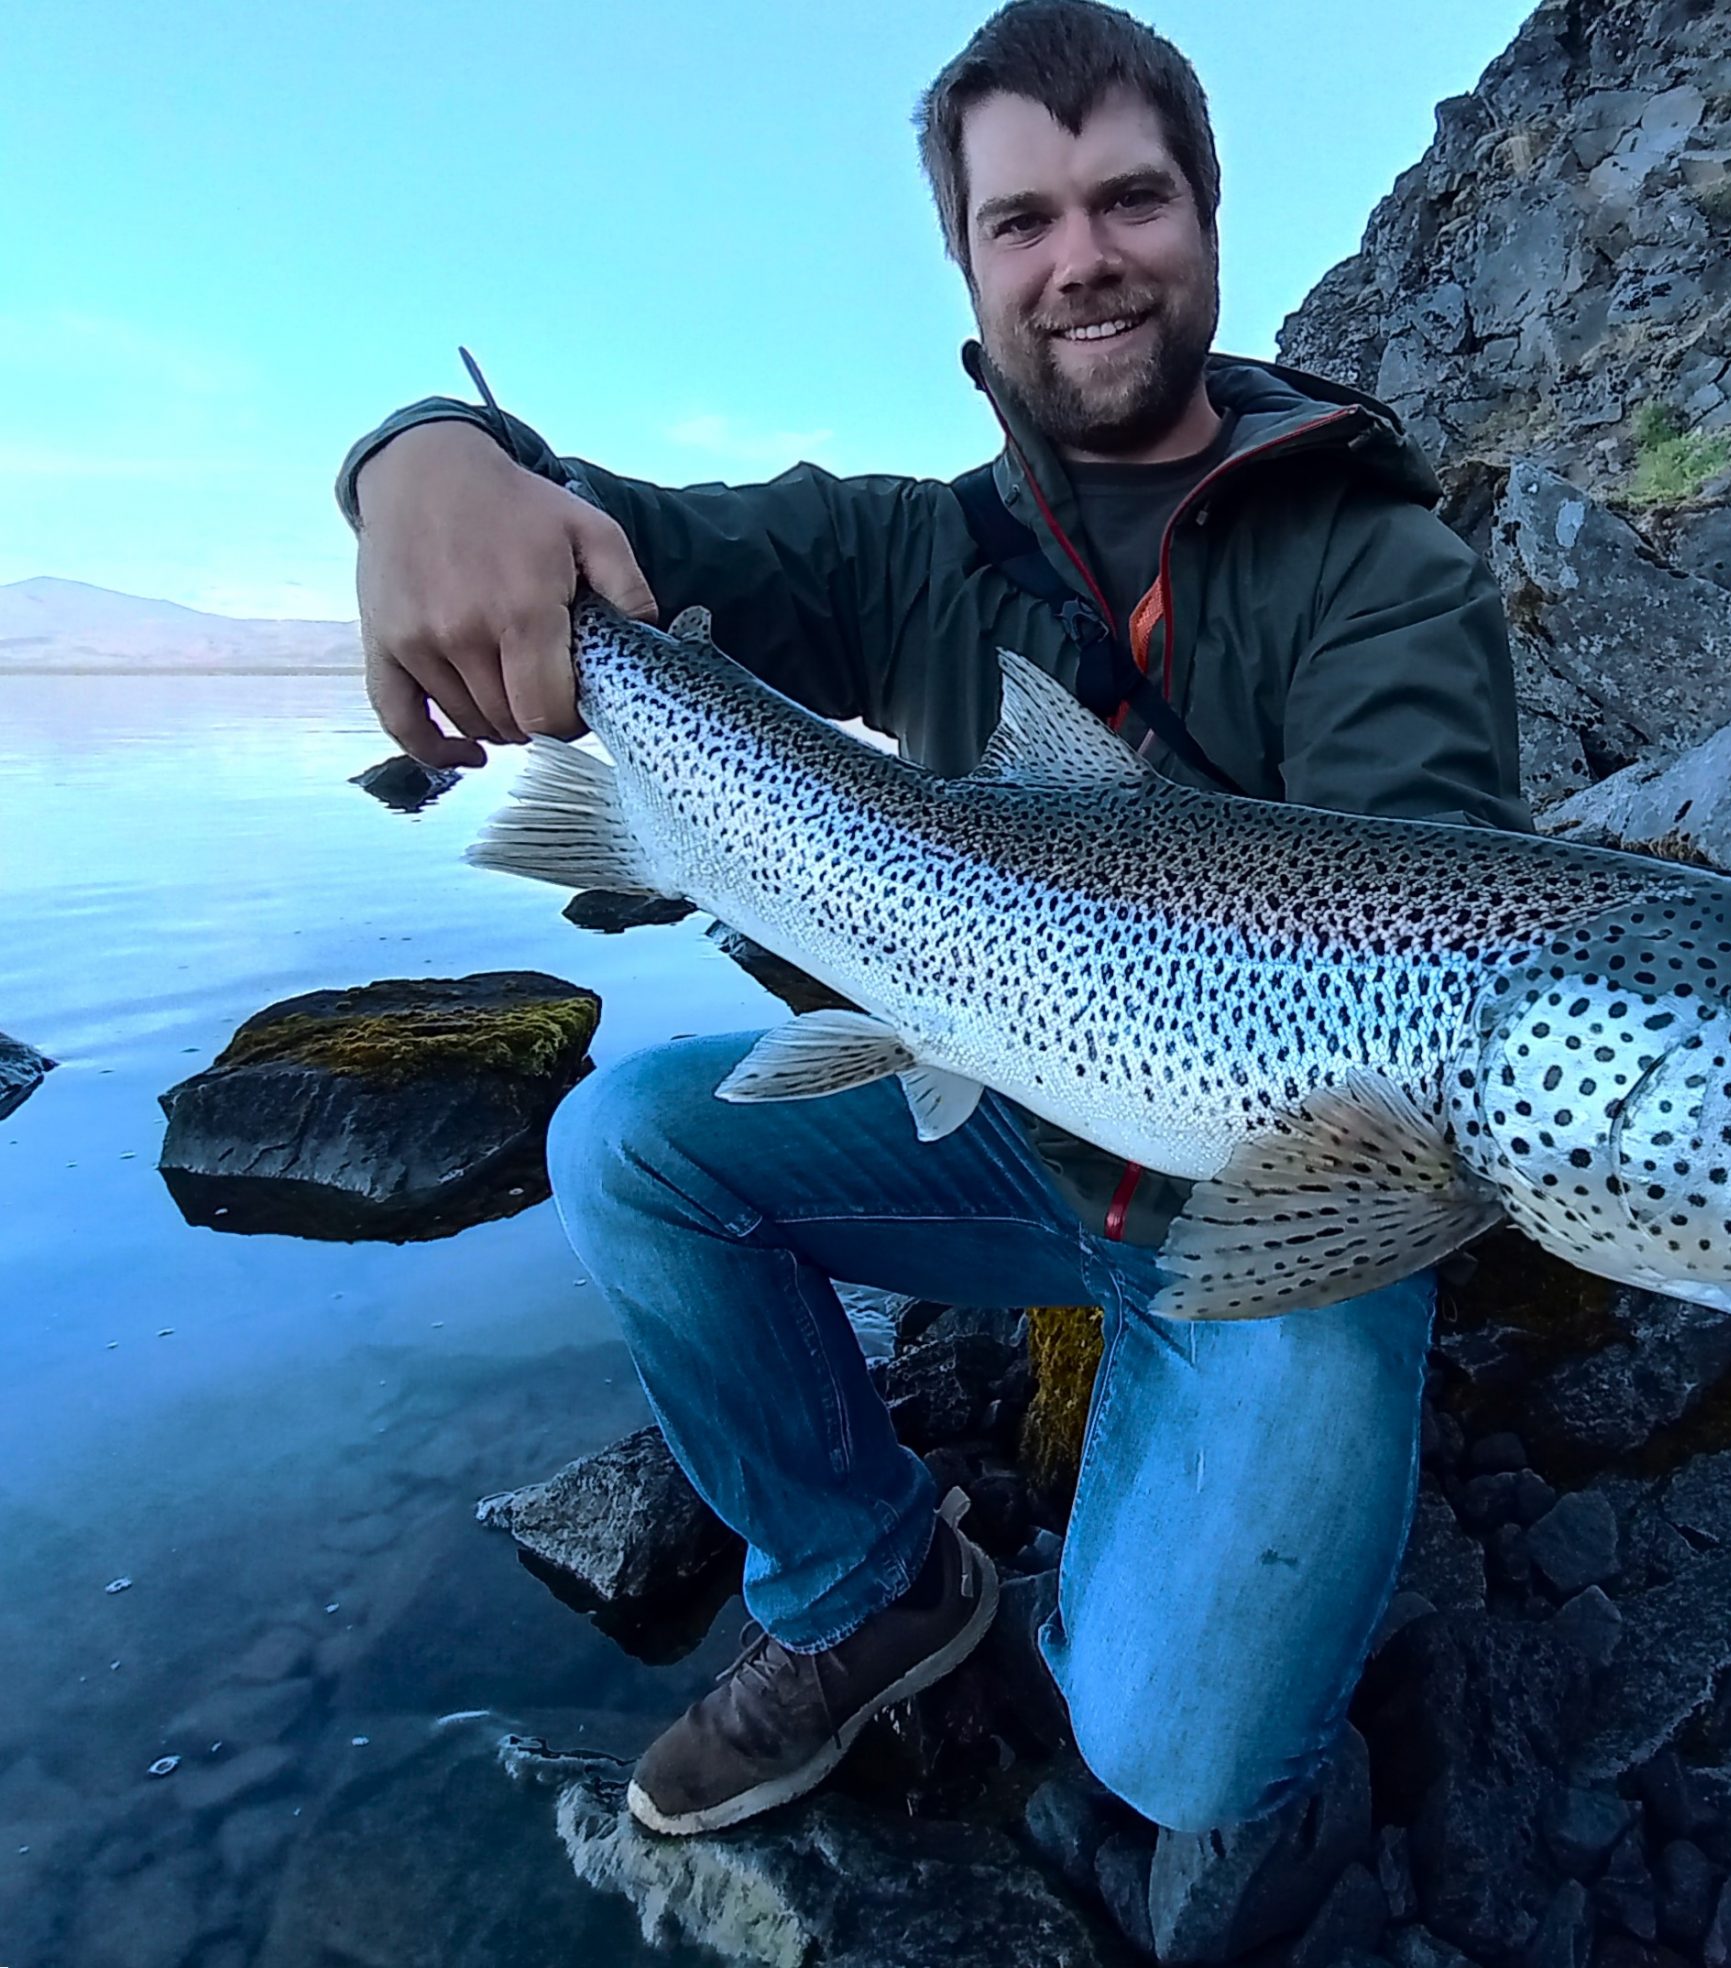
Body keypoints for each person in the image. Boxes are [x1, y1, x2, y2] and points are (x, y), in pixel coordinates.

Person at [338, 0, 1525, 1841]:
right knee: (629, 1143)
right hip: (1018, 1145)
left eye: (1127, 201)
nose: (1082, 262)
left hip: (1289, 1217)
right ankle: (866, 1585)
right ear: (968, 271)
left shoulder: (1385, 567)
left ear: (1208, 219)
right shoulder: (907, 546)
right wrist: (420, 458)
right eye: (1020, 222)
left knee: (1172, 1766)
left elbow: (1425, 949)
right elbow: (579, 527)